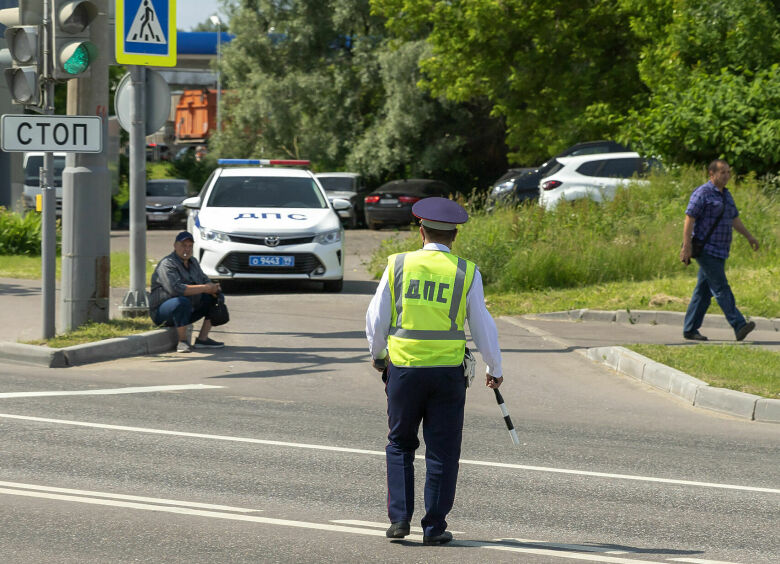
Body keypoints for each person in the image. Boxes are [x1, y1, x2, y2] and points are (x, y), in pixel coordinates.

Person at [365, 197, 503, 545]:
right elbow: (483, 325)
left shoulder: (398, 265)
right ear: (454, 236)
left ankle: (399, 521)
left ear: (421, 230)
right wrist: (494, 367)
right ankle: (434, 528)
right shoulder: (466, 271)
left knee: (400, 444)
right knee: (442, 450)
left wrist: (379, 355)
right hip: (447, 375)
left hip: (405, 370)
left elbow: (376, 318)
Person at [679, 159, 759, 341]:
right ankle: (739, 324)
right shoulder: (703, 193)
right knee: (721, 287)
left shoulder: (726, 195)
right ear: (712, 174)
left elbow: (734, 220)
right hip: (706, 249)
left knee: (703, 292)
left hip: (721, 250)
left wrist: (749, 237)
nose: (726, 176)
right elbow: (689, 219)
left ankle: (690, 329)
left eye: (728, 172)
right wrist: (686, 246)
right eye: (722, 172)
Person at [149, 231, 226, 353]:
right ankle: (182, 342)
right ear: (175, 246)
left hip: (187, 309)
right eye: (184, 245)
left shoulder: (193, 262)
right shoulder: (167, 264)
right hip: (163, 312)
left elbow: (205, 280)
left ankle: (202, 339)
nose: (187, 249)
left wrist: (214, 288)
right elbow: (175, 289)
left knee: (215, 296)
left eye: (190, 246)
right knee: (181, 301)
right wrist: (206, 288)